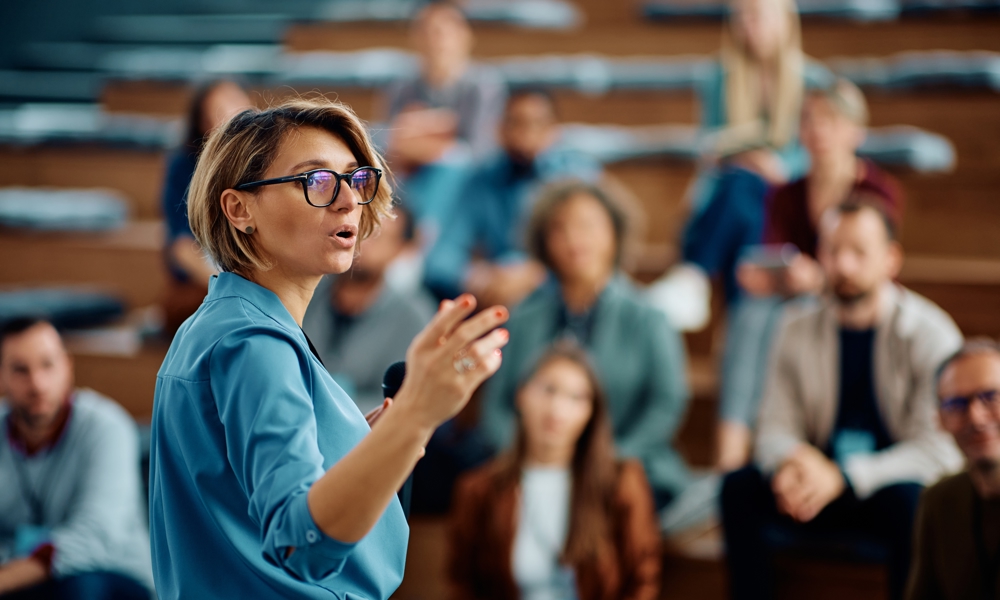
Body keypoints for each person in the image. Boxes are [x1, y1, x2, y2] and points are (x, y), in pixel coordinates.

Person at [148, 98, 511, 599]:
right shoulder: (253, 342)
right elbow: (304, 545)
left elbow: (242, 497)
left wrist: (364, 440)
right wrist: (417, 416)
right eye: (315, 181)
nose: (347, 202)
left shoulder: (222, 321)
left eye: (355, 180)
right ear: (240, 209)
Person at [720, 200, 964, 600]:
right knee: (738, 489)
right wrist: (791, 462)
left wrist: (845, 476)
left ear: (891, 259)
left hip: (881, 488)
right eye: (833, 251)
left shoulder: (930, 333)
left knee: (914, 501)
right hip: (813, 487)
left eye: (859, 252)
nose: (844, 265)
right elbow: (773, 425)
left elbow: (938, 449)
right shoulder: (793, 326)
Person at [715, 79, 904, 471]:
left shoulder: (877, 190)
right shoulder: (787, 193)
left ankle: (768, 447)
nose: (817, 130)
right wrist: (765, 274)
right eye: (808, 120)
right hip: (795, 297)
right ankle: (731, 452)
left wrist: (818, 277)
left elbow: (872, 265)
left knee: (784, 315)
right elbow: (776, 254)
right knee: (752, 311)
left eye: (829, 120)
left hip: (850, 296)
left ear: (856, 131)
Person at [484, 180, 690, 510]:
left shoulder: (649, 317)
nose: (573, 239)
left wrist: (607, 459)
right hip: (529, 469)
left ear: (615, 233)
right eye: (559, 228)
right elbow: (496, 407)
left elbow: (666, 404)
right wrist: (532, 458)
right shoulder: (523, 318)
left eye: (587, 225)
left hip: (622, 465)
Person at [647, 0, 832, 328]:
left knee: (745, 196)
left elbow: (816, 151)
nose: (750, 25)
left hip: (786, 196)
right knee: (744, 196)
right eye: (742, 17)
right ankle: (738, 318)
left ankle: (696, 275)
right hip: (735, 192)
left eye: (758, 16)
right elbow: (708, 146)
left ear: (784, 21)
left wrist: (777, 166)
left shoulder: (812, 81)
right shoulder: (718, 77)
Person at [449, 342, 661, 600]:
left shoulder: (621, 481)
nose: (557, 409)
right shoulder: (479, 489)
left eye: (576, 398)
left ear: (591, 412)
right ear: (521, 394)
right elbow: (461, 586)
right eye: (548, 390)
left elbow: (642, 580)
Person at [0, 318, 152, 599]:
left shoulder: (108, 426)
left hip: (110, 572)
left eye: (48, 365)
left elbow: (95, 536)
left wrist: (7, 578)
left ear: (67, 366)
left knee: (82, 588)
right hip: (25, 576)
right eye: (21, 370)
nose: (37, 384)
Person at [423, 88, 602, 306]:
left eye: (537, 123)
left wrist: (535, 274)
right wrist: (476, 277)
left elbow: (592, 252)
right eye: (515, 123)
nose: (525, 134)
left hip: (558, 297)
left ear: (554, 131)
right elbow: (441, 258)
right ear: (499, 129)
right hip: (495, 296)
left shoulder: (574, 179)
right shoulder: (481, 181)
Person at [384, 2, 507, 236]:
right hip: (413, 177)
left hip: (467, 182)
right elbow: (393, 148)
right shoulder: (401, 88)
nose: (435, 40)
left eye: (442, 31)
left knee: (453, 166)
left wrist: (423, 143)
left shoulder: (483, 86)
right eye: (425, 31)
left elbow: (479, 152)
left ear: (465, 36)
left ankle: (421, 239)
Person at [303, 205, 435, 414]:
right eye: (360, 229)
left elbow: (399, 401)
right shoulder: (307, 289)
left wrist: (324, 406)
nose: (364, 242)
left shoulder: (412, 315)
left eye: (379, 236)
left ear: (401, 249)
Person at [907, 339, 1000, 600]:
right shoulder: (939, 500)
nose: (976, 417)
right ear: (940, 419)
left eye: (991, 397)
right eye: (956, 405)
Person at [160, 79, 253, 332]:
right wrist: (231, 286)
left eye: (238, 104)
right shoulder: (184, 168)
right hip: (206, 283)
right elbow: (181, 249)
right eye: (221, 111)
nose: (236, 115)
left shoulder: (261, 163)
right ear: (203, 126)